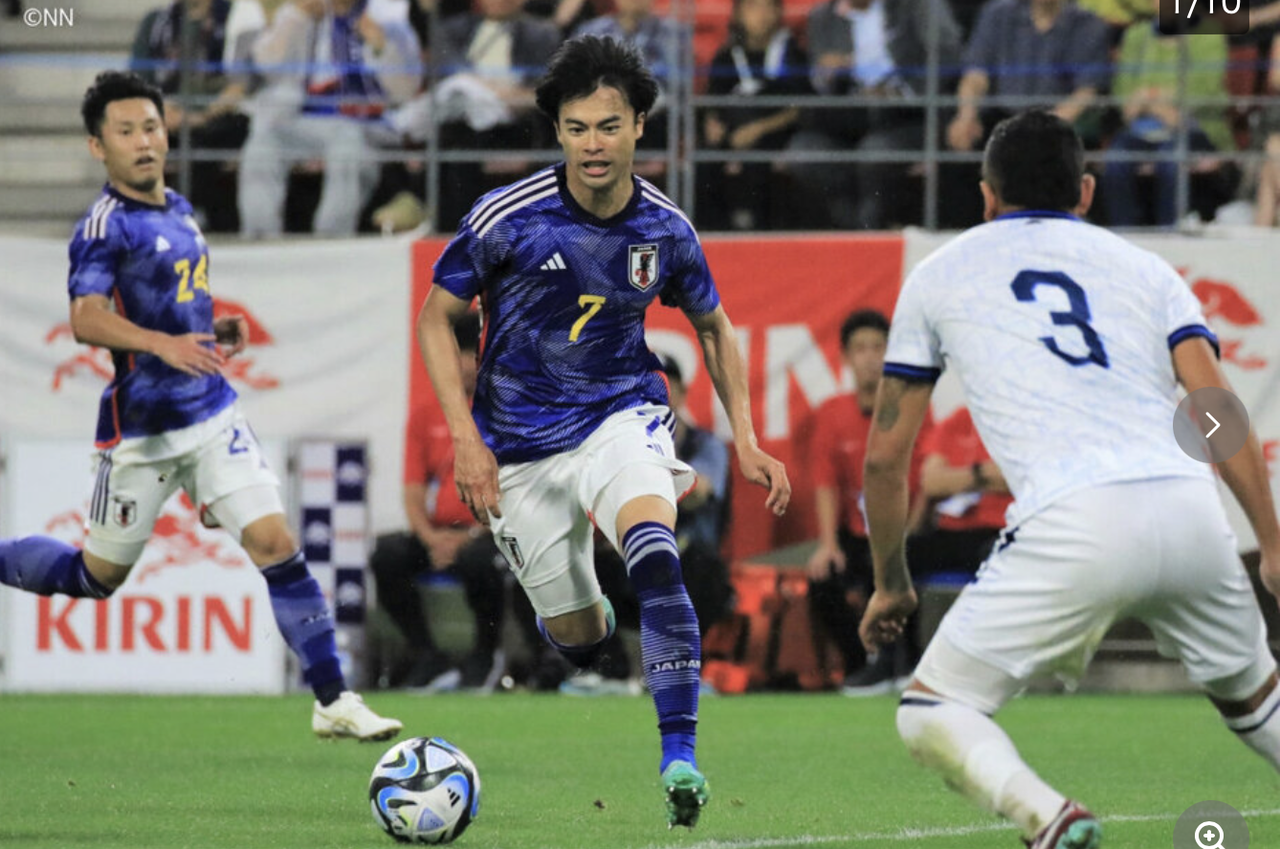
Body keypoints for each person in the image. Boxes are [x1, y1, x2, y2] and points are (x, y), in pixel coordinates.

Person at [860, 110, 1280, 848]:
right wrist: (1272, 544)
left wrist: (891, 583)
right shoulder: (1148, 270)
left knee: (931, 710)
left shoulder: (939, 275)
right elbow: (1216, 411)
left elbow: (885, 460)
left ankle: (1048, 817)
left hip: (1075, 520)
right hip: (1190, 510)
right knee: (1259, 705)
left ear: (986, 196)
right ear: (1085, 191)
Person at [416, 35, 790, 828]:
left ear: (639, 126)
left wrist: (748, 437)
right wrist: (465, 439)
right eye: (578, 127)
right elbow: (436, 318)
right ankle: (597, 623)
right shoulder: (507, 219)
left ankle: (680, 755)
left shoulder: (665, 229)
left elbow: (715, 327)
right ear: (558, 130)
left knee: (656, 550)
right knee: (578, 637)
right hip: (518, 449)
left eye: (610, 126)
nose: (594, 144)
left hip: (620, 415)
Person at [0, 71, 401, 743]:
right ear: (98, 146)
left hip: (212, 416)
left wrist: (211, 329)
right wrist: (163, 344)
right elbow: (86, 318)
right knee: (95, 577)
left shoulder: (180, 209)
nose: (143, 142)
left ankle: (333, 699)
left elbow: (169, 306)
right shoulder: (104, 226)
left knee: (276, 543)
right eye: (125, 132)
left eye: (151, 127)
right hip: (144, 433)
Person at [371, 311, 530, 692]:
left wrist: (471, 535)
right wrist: (430, 538)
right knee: (388, 555)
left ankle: (484, 655)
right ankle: (426, 653)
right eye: (459, 354)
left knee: (480, 562)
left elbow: (518, 491)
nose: (466, 365)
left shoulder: (511, 413)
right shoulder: (426, 416)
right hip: (440, 535)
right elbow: (412, 490)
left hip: (489, 533)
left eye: (475, 355)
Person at [805, 310, 931, 696]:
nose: (870, 358)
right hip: (856, 535)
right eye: (860, 349)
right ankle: (862, 662)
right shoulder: (831, 414)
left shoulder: (912, 408)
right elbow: (825, 482)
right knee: (823, 577)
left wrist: (909, 531)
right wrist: (828, 543)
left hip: (903, 530)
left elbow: (926, 478)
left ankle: (908, 662)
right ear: (845, 357)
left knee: (908, 561)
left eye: (879, 347)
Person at [238, 0, 420, 237]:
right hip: (304, 119)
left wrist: (381, 46)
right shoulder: (301, 12)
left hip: (363, 123)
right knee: (263, 142)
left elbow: (405, 90)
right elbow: (265, 65)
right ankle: (259, 235)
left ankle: (331, 235)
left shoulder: (385, 17)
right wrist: (296, 18)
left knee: (348, 141)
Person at [909, 404, 1011, 578]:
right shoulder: (961, 418)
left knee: (994, 558)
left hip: (1000, 529)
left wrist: (955, 479)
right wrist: (982, 474)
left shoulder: (1028, 424)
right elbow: (931, 483)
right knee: (898, 559)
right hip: (952, 530)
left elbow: (1018, 479)